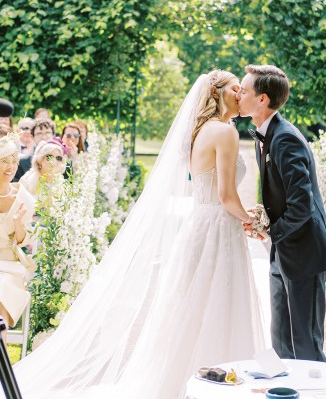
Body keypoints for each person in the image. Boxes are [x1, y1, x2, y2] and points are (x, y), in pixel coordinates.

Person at [13, 71, 266, 399]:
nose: (240, 93)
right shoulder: (225, 133)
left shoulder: (200, 130)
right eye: (236, 88)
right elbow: (227, 196)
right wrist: (253, 222)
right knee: (221, 304)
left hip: (199, 227)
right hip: (218, 230)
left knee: (191, 309)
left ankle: (181, 384)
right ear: (220, 93)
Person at [237, 64, 326, 362]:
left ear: (262, 99)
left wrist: (271, 232)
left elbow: (302, 205)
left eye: (244, 91)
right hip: (283, 253)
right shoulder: (266, 135)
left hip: (305, 253)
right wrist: (263, 215)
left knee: (305, 344)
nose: (239, 96)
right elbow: (281, 195)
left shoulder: (285, 138)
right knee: (281, 341)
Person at [0, 134, 35, 341]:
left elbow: (24, 241)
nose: (10, 167)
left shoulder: (23, 197)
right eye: (4, 160)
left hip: (9, 265)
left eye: (14, 161)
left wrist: (18, 223)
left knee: (1, 291)